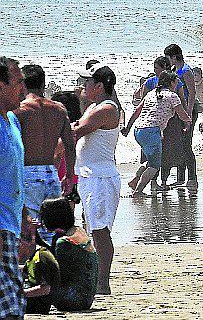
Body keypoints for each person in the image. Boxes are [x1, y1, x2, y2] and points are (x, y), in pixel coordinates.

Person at [13, 64, 75, 244]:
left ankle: (35, 269)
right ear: (43, 85)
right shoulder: (59, 109)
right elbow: (69, 146)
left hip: (27, 174)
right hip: (51, 174)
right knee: (52, 229)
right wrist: (69, 176)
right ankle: (53, 267)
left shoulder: (20, 111)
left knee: (29, 229)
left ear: (22, 85)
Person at [72, 64, 120, 295]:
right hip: (91, 175)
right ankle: (97, 281)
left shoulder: (106, 109)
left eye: (87, 82)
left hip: (100, 177)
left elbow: (76, 131)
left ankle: (103, 284)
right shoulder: (95, 106)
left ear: (99, 86)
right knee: (91, 229)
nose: (83, 86)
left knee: (100, 232)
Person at [122, 71, 191, 195]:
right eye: (176, 82)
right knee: (155, 165)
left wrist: (128, 127)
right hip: (151, 131)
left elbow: (137, 111)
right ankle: (138, 191)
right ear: (171, 83)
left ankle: (135, 180)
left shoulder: (151, 93)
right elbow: (182, 114)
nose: (177, 84)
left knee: (150, 160)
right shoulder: (172, 96)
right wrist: (188, 121)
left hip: (139, 130)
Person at [39, 197, 99, 311]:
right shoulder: (78, 231)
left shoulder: (63, 242)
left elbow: (56, 274)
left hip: (70, 300)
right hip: (85, 299)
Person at [0, 56, 26, 318]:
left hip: (11, 224)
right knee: (9, 307)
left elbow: (15, 174)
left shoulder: (13, 122)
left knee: (14, 297)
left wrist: (26, 218)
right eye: (18, 82)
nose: (23, 89)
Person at [164, 44, 198, 193]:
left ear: (173, 57)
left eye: (168, 57)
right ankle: (180, 178)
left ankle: (192, 177)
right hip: (177, 110)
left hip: (188, 110)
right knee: (178, 144)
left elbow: (192, 93)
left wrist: (188, 115)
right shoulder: (173, 71)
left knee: (186, 144)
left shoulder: (185, 71)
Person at [19, 211, 59, 314]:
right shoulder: (33, 256)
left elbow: (46, 288)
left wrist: (19, 294)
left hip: (38, 305)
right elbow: (24, 269)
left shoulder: (42, 256)